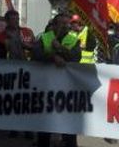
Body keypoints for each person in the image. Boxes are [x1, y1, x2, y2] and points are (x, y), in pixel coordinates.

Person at [32, 13, 81, 147]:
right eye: (62, 23)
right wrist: (53, 57)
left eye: (67, 24)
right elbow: (36, 54)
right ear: (54, 25)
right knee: (45, 123)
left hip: (66, 88)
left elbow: (76, 57)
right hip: (46, 87)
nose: (66, 26)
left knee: (68, 123)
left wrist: (59, 48)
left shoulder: (73, 38)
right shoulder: (45, 37)